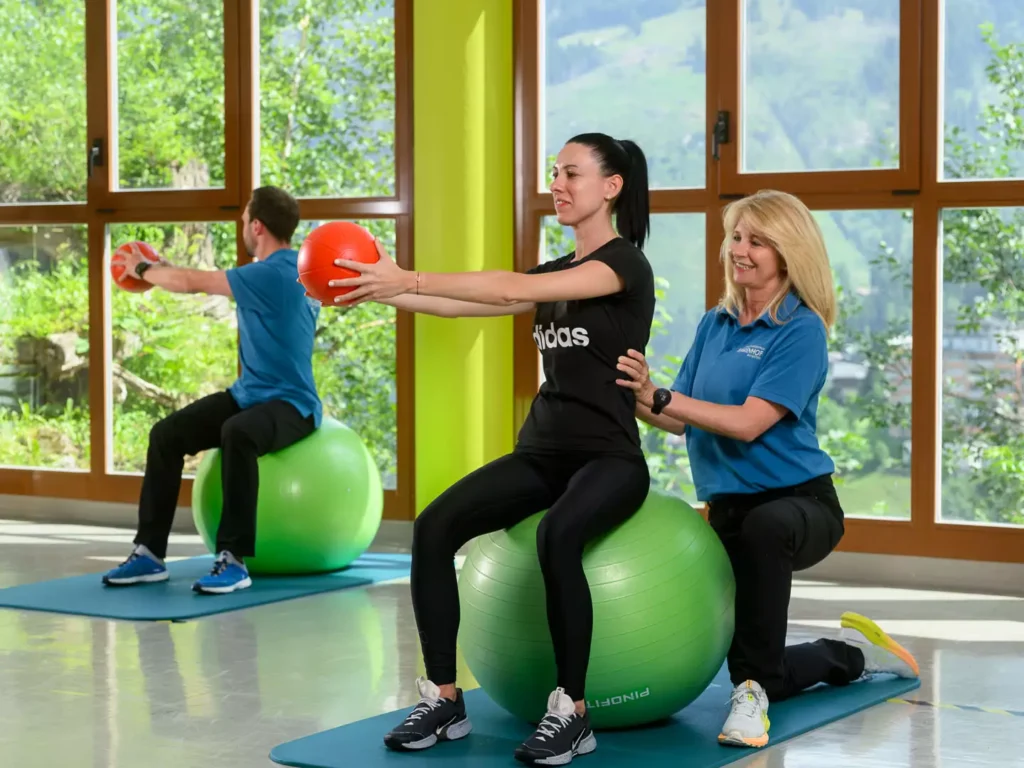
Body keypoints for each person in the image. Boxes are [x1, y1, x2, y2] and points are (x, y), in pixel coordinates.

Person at [328, 133, 655, 765]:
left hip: (609, 459)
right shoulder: (555, 273)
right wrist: (385, 288)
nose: (557, 185)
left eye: (572, 174)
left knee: (557, 536)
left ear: (611, 186)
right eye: (554, 173)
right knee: (433, 527)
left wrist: (409, 273)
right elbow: (461, 306)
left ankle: (573, 713)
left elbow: (505, 291)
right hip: (541, 454)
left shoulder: (622, 266)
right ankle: (445, 698)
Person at [615, 189, 919, 749]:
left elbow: (749, 422)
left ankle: (749, 698)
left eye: (758, 241)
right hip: (727, 510)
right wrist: (628, 386)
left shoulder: (800, 331)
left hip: (800, 504)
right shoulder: (715, 324)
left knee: (765, 535)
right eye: (736, 236)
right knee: (766, 664)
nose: (741, 250)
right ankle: (848, 656)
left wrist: (660, 398)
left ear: (788, 254)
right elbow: (681, 416)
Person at [101, 186, 322, 595]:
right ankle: (149, 553)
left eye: (243, 220)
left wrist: (142, 269)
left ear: (256, 226)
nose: (242, 226)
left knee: (238, 431)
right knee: (166, 436)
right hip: (250, 393)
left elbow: (190, 283)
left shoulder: (275, 273)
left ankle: (233, 560)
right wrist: (162, 267)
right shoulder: (288, 271)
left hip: (293, 405)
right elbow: (194, 278)